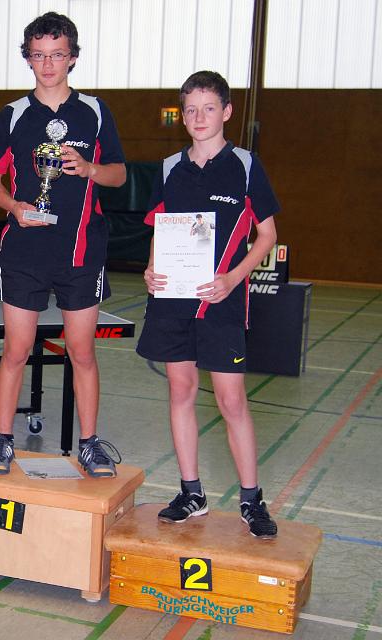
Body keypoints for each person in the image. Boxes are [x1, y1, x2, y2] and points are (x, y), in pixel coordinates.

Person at [0, 12, 127, 477]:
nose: (47, 65)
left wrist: (90, 169)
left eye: (57, 55)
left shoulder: (95, 111)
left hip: (81, 252)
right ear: (28, 58)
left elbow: (119, 174)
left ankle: (89, 443)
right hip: (25, 252)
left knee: (82, 352)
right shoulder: (13, 114)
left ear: (73, 58)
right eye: (38, 55)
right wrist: (13, 206)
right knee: (16, 350)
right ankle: (3, 441)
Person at [137, 71, 279, 538]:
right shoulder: (168, 168)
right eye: (191, 110)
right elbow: (161, 227)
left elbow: (267, 236)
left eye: (209, 108)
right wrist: (151, 267)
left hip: (221, 301)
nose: (199, 118)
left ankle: (252, 499)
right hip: (173, 299)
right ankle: (191, 493)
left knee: (231, 400)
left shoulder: (245, 165)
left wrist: (233, 279)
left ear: (227, 112)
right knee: (180, 391)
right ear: (183, 114)